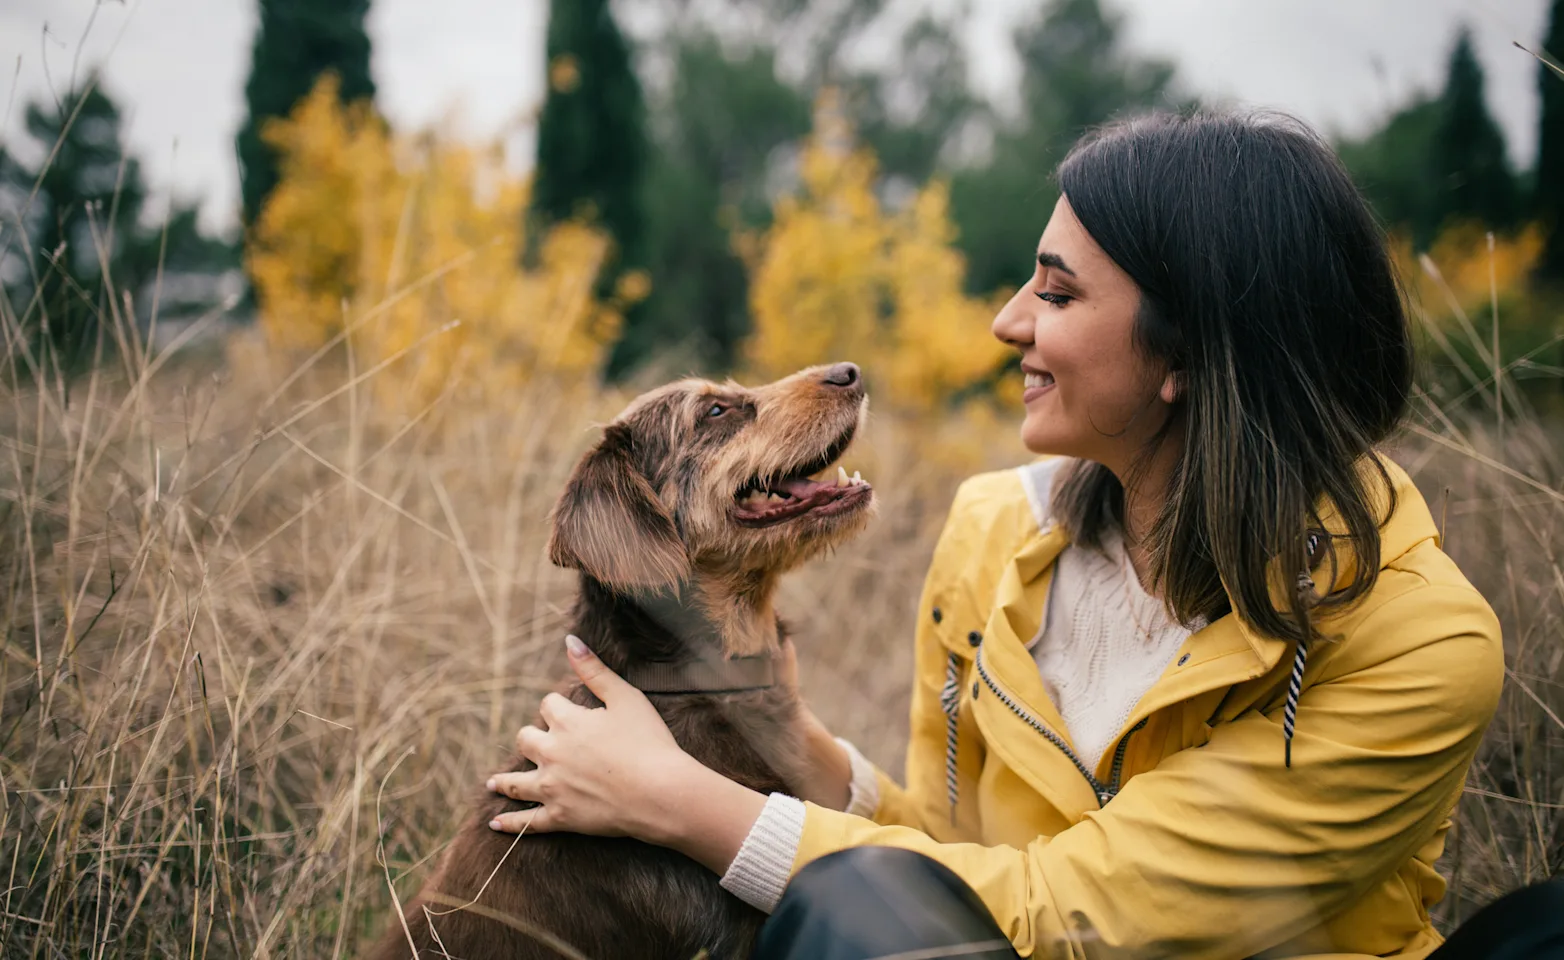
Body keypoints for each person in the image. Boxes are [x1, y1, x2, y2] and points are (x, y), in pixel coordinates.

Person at [485, 111, 1513, 958]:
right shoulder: (993, 533)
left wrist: (683, 805)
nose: (1008, 320)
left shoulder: (1418, 646)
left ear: (1191, 352)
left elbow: (1061, 913)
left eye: (1058, 292)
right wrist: (812, 758)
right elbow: (949, 859)